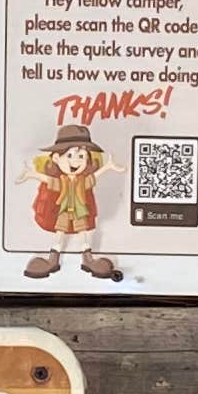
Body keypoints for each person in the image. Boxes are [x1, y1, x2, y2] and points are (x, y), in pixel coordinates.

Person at [23, 117, 122, 281]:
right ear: (56, 158)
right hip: (63, 211)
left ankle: (88, 260)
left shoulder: (82, 181)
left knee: (83, 234)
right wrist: (32, 174)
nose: (76, 161)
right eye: (70, 155)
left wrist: (108, 167)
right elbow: (49, 181)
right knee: (60, 233)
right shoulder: (61, 181)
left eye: (81, 156)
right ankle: (53, 260)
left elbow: (93, 177)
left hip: (79, 212)